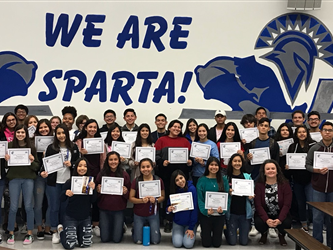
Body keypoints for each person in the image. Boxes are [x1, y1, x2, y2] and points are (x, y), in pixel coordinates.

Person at [41, 124, 80, 244]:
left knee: (65, 208)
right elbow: (45, 165)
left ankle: (63, 229)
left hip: (67, 182)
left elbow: (78, 164)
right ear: (55, 135)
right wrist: (43, 172)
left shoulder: (73, 147)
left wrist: (72, 165)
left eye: (63, 133)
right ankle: (54, 231)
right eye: (58, 133)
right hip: (53, 182)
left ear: (67, 134)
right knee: (54, 207)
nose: (61, 136)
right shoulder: (51, 147)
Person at [155, 120, 192, 232]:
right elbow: (155, 156)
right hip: (166, 175)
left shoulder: (185, 141)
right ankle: (167, 220)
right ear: (169, 128)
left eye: (179, 127)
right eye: (174, 127)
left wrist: (190, 162)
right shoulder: (161, 140)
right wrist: (162, 162)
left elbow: (191, 158)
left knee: (181, 197)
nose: (176, 129)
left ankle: (179, 221)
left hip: (182, 175)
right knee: (168, 197)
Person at [5, 125, 39, 245]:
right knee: (13, 207)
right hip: (14, 179)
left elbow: (36, 167)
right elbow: (5, 166)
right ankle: (10, 233)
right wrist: (6, 159)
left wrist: (31, 160)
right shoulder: (9, 147)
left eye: (22, 132)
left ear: (26, 134)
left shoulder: (31, 147)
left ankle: (29, 233)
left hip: (28, 179)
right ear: (15, 134)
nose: (20, 134)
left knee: (28, 206)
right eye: (18, 132)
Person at [59, 158, 97, 249]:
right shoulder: (70, 182)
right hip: (71, 217)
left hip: (85, 217)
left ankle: (77, 233)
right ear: (76, 168)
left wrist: (94, 189)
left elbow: (94, 200)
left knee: (86, 244)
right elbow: (61, 199)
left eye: (85, 166)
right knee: (70, 245)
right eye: (80, 166)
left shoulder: (90, 183)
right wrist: (65, 193)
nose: (82, 168)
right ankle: (61, 231)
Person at [306, 121, 333, 247]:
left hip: (332, 188)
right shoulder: (314, 148)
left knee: (331, 218)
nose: (327, 132)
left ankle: (331, 243)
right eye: (325, 130)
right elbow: (307, 165)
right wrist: (316, 170)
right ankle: (317, 243)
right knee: (317, 216)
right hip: (317, 188)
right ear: (321, 132)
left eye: (330, 130)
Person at [75, 119, 104, 235]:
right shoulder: (79, 142)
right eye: (90, 127)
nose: (92, 129)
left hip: (96, 172)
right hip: (82, 173)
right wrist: (81, 153)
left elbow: (103, 159)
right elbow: (74, 157)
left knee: (96, 198)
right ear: (85, 128)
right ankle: (82, 223)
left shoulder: (100, 142)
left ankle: (95, 224)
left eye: (95, 127)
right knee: (82, 198)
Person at [254, 159, 292, 246]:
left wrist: (280, 219)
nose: (270, 171)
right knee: (259, 223)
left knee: (286, 222)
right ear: (264, 172)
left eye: (273, 168)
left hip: (280, 213)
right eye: (267, 169)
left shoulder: (285, 184)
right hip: (265, 214)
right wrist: (266, 219)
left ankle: (281, 235)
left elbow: (287, 204)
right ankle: (264, 233)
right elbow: (258, 205)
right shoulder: (259, 185)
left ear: (277, 171)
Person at [95, 151, 131, 243]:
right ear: (107, 161)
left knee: (116, 239)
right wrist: (97, 190)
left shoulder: (124, 174)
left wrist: (125, 192)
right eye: (111, 160)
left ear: (119, 161)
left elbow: (129, 194)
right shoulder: (101, 174)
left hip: (118, 209)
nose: (113, 162)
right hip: (104, 209)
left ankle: (121, 226)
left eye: (115, 159)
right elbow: (95, 192)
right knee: (105, 239)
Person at [286, 125, 316, 231]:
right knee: (300, 202)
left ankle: (311, 221)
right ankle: (304, 222)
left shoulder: (313, 145)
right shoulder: (292, 147)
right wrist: (287, 166)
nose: (302, 134)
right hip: (297, 180)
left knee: (311, 202)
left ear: (307, 133)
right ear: (296, 134)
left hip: (310, 179)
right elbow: (289, 162)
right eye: (299, 132)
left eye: (304, 132)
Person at [129, 158, 165, 245]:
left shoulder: (158, 180)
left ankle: (154, 230)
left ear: (152, 167)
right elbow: (131, 198)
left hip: (153, 214)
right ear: (140, 169)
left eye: (148, 166)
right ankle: (136, 228)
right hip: (139, 214)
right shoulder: (136, 181)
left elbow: (163, 197)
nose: (146, 169)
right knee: (138, 241)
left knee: (155, 241)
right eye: (143, 167)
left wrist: (156, 200)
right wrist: (141, 201)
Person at [196, 157, 229, 248]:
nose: (214, 167)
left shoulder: (224, 180)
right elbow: (200, 198)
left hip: (219, 215)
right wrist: (205, 211)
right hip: (206, 215)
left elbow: (227, 197)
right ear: (208, 166)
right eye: (211, 165)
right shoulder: (202, 180)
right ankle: (204, 233)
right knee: (206, 244)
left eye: (216, 165)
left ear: (219, 167)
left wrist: (223, 210)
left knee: (217, 244)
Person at [225, 153, 253, 246]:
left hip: (244, 213)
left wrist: (251, 197)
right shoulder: (226, 178)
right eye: (235, 161)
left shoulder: (247, 177)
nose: (237, 163)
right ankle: (227, 231)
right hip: (231, 213)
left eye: (239, 161)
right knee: (232, 242)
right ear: (231, 163)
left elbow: (252, 198)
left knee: (244, 242)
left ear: (242, 163)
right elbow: (221, 195)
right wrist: (227, 192)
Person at [166, 170, 198, 249]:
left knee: (188, 245)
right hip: (178, 223)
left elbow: (195, 210)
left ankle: (191, 232)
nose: (180, 181)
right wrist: (168, 209)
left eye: (181, 178)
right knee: (177, 244)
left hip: (189, 223)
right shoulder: (174, 192)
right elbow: (167, 208)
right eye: (177, 180)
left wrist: (191, 227)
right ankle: (177, 234)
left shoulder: (192, 189)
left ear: (185, 177)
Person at [34, 119, 53, 239]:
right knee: (38, 204)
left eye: (46, 127)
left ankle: (48, 228)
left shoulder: (54, 143)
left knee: (52, 203)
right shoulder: (33, 144)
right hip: (39, 177)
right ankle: (39, 228)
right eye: (41, 128)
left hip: (52, 177)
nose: (43, 129)